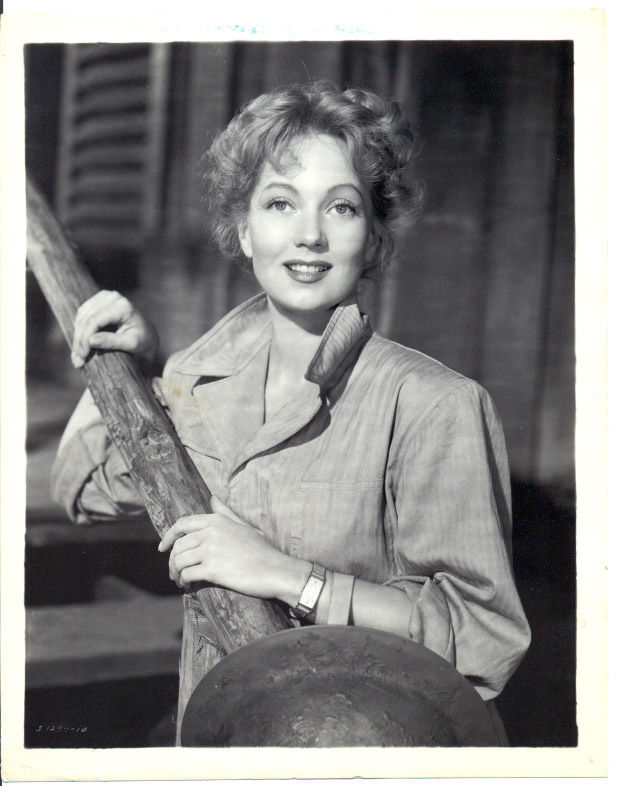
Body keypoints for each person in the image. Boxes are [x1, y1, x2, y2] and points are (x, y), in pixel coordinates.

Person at [52, 80, 530, 744]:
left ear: (375, 236)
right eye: (281, 204)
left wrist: (287, 575)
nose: (309, 235)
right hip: (222, 734)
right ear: (245, 231)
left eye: (341, 207)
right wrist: (131, 365)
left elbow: (481, 638)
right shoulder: (199, 379)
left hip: (372, 749)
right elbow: (84, 488)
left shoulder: (433, 404)